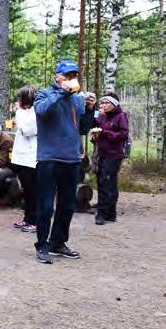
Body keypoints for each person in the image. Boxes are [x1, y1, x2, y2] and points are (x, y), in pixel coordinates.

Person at [33, 60, 96, 264]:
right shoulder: (44, 94)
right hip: (49, 158)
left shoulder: (77, 100)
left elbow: (84, 128)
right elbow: (42, 111)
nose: (71, 79)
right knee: (45, 206)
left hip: (71, 158)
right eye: (67, 75)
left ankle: (57, 243)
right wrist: (63, 92)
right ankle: (42, 246)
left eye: (73, 76)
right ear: (57, 77)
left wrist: (88, 108)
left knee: (68, 205)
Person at [91, 92, 129, 225]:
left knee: (106, 182)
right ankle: (111, 213)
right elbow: (94, 123)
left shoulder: (120, 116)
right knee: (106, 183)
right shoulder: (102, 116)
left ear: (114, 104)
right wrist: (95, 112)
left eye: (106, 103)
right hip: (102, 153)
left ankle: (102, 214)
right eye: (102, 103)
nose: (103, 105)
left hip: (114, 155)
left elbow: (123, 135)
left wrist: (105, 133)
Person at [11, 85, 39, 233]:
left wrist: (19, 112)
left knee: (33, 191)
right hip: (22, 158)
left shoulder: (35, 112)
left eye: (20, 97)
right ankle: (27, 219)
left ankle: (34, 221)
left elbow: (28, 130)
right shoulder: (26, 112)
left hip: (31, 158)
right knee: (27, 191)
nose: (18, 100)